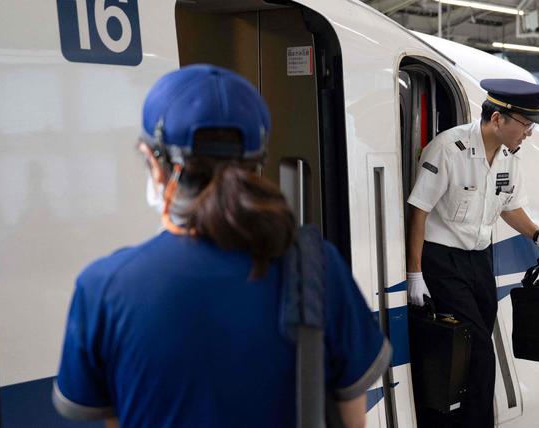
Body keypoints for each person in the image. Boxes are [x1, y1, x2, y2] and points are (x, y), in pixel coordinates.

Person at [52, 64, 390, 428]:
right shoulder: (318, 266)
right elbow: (352, 418)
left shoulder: (104, 286)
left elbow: (111, 417)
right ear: (257, 164)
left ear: (154, 161)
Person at [406, 78, 539, 427]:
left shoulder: (509, 158)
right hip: (443, 261)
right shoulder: (449, 149)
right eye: (525, 125)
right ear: (498, 119)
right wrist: (415, 273)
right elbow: (418, 211)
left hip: (480, 261)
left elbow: (509, 207)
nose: (528, 133)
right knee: (473, 349)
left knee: (478, 351)